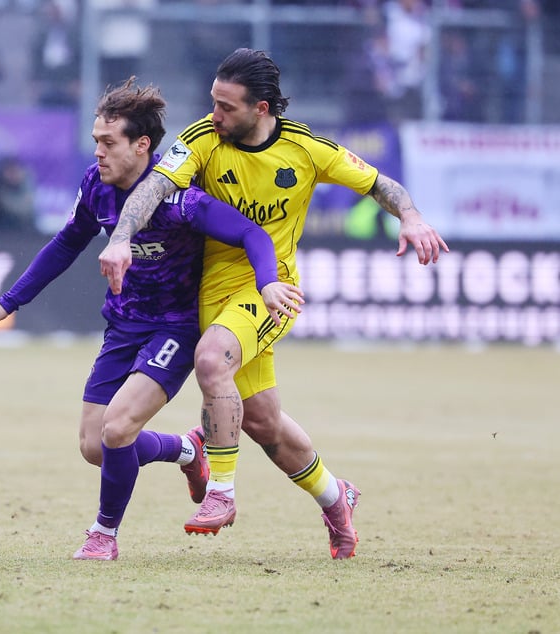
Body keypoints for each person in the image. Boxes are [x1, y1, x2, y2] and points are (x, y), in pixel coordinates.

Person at [98, 48, 449, 559]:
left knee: (210, 359)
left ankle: (220, 492)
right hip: (210, 295)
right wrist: (122, 236)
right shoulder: (200, 140)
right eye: (213, 102)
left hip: (270, 289)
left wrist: (411, 216)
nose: (214, 115)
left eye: (227, 107)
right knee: (262, 423)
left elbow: (381, 184)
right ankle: (336, 496)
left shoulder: (307, 149)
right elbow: (153, 187)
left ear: (262, 108)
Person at [0, 78, 303, 561]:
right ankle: (186, 450)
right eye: (95, 142)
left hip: (175, 327)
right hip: (124, 325)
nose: (99, 153)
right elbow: (67, 243)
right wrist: (11, 300)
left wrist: (267, 279)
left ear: (142, 145)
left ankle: (103, 534)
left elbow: (252, 233)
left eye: (109, 143)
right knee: (95, 446)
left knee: (118, 429)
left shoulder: (180, 199)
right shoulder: (97, 185)